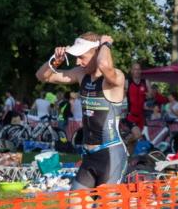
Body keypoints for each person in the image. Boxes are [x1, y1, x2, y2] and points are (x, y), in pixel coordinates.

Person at [36, 32, 127, 190]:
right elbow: (42, 76)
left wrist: (105, 44)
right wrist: (55, 60)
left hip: (110, 155)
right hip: (89, 156)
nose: (78, 61)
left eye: (81, 57)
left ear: (97, 53)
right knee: (76, 204)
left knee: (106, 206)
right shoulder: (80, 74)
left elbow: (104, 65)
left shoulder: (115, 77)